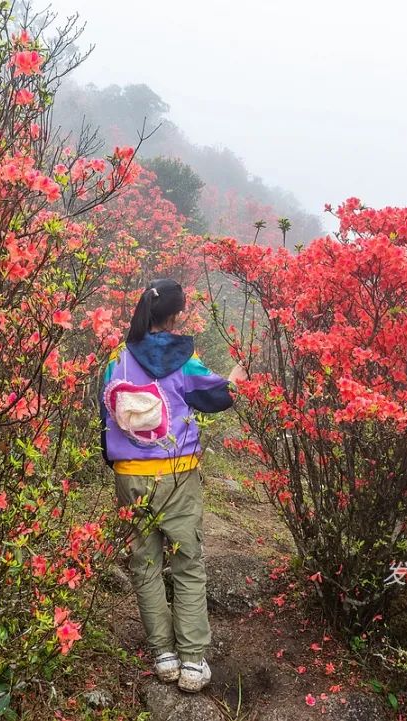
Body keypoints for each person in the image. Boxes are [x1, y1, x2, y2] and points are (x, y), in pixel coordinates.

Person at [99, 278, 246, 693]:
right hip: (177, 474)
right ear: (176, 314)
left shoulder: (118, 359)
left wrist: (118, 462)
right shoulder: (185, 359)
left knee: (145, 564)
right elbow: (216, 396)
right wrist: (235, 378)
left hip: (130, 477)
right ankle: (193, 661)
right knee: (187, 564)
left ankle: (163, 655)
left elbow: (104, 413)